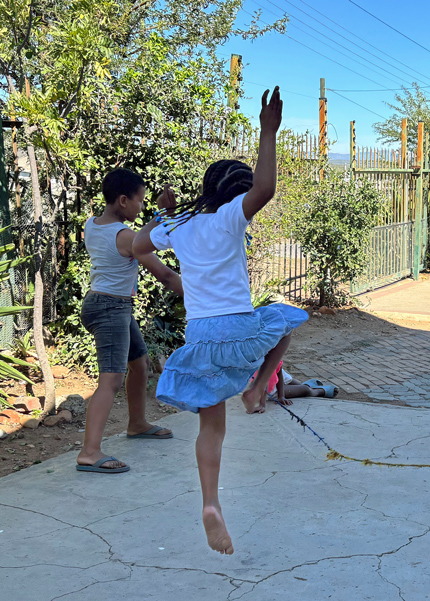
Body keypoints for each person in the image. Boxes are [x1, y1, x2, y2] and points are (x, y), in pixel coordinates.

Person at [132, 86, 307, 555]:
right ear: (236, 194)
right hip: (237, 328)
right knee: (286, 320)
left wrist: (166, 247)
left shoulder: (180, 224)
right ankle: (257, 387)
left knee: (213, 428)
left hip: (200, 338)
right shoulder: (231, 217)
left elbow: (135, 248)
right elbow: (265, 189)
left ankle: (211, 504)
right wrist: (268, 130)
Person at [77, 168, 183, 474]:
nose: (141, 207)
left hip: (106, 304)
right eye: (139, 201)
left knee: (140, 363)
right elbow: (163, 274)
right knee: (110, 380)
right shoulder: (124, 236)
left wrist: (159, 214)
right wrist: (199, 297)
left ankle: (137, 423)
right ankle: (89, 451)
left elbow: (136, 238)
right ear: (123, 200)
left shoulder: (93, 224)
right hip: (111, 308)